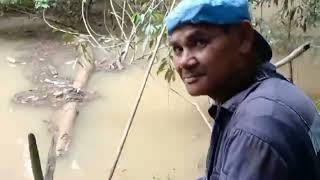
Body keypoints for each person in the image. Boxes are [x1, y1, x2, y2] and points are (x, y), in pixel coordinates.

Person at [164, 0, 320, 179]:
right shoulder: (270, 88)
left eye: (200, 42)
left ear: (243, 38)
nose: (184, 61)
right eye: (177, 49)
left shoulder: (254, 130)